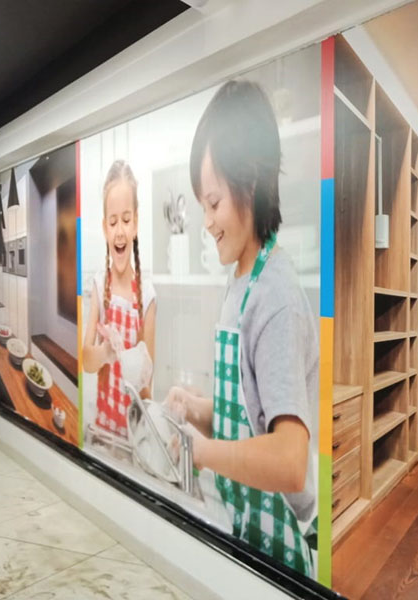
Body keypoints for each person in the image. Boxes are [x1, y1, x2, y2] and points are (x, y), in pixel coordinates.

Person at [165, 80, 318, 577]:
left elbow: (290, 458)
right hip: (242, 524)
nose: (206, 222)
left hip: (281, 540)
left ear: (249, 181)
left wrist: (200, 452)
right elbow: (250, 420)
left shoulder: (275, 296)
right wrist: (197, 410)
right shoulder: (240, 282)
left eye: (213, 203)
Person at [83, 160, 157, 437]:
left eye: (126, 220)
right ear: (104, 228)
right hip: (103, 434)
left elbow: (147, 384)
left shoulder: (147, 297)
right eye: (113, 222)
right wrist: (105, 353)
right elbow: (86, 362)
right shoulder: (99, 285)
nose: (120, 230)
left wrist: (154, 431)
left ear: (136, 223)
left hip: (134, 437)